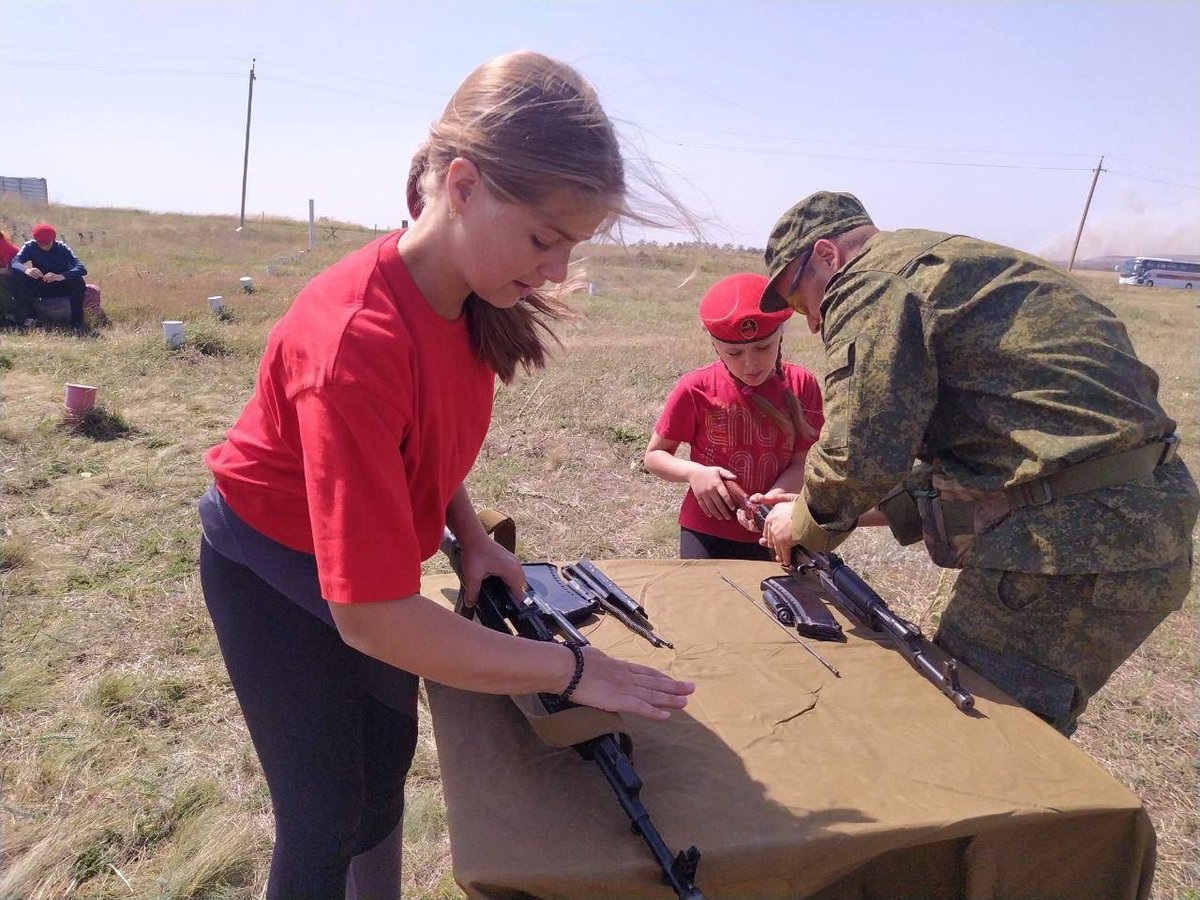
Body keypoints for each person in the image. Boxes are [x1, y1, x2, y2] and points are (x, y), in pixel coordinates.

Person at [198, 51, 694, 899]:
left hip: (369, 562)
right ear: (462, 185)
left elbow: (414, 447)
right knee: (322, 816)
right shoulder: (356, 342)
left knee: (382, 780)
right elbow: (376, 619)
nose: (555, 274)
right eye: (544, 239)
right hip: (269, 560)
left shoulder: (467, 294)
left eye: (570, 247)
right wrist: (572, 672)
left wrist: (470, 536)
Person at [752, 190, 1198, 737]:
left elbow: (860, 455)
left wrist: (802, 524)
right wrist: (810, 504)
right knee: (1021, 728)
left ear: (826, 256)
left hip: (1067, 549)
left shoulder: (871, 282)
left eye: (802, 304)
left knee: (977, 736)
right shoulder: (958, 265)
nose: (814, 325)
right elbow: (1007, 469)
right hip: (1136, 524)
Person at [643, 272, 824, 560]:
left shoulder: (803, 384)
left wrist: (768, 504)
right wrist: (694, 472)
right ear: (715, 346)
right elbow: (654, 457)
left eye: (762, 348)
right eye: (734, 353)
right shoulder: (694, 388)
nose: (750, 364)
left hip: (777, 527)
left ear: (781, 335)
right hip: (707, 532)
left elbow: (802, 462)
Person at [9, 223, 89, 330]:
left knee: (78, 281)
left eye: (48, 243)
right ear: (36, 240)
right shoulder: (29, 246)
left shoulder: (62, 247)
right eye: (41, 244)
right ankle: (30, 318)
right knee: (17, 275)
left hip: (60, 284)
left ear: (53, 240)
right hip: (40, 284)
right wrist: (26, 270)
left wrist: (61, 276)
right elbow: (14, 263)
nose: (45, 246)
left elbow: (81, 268)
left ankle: (76, 322)